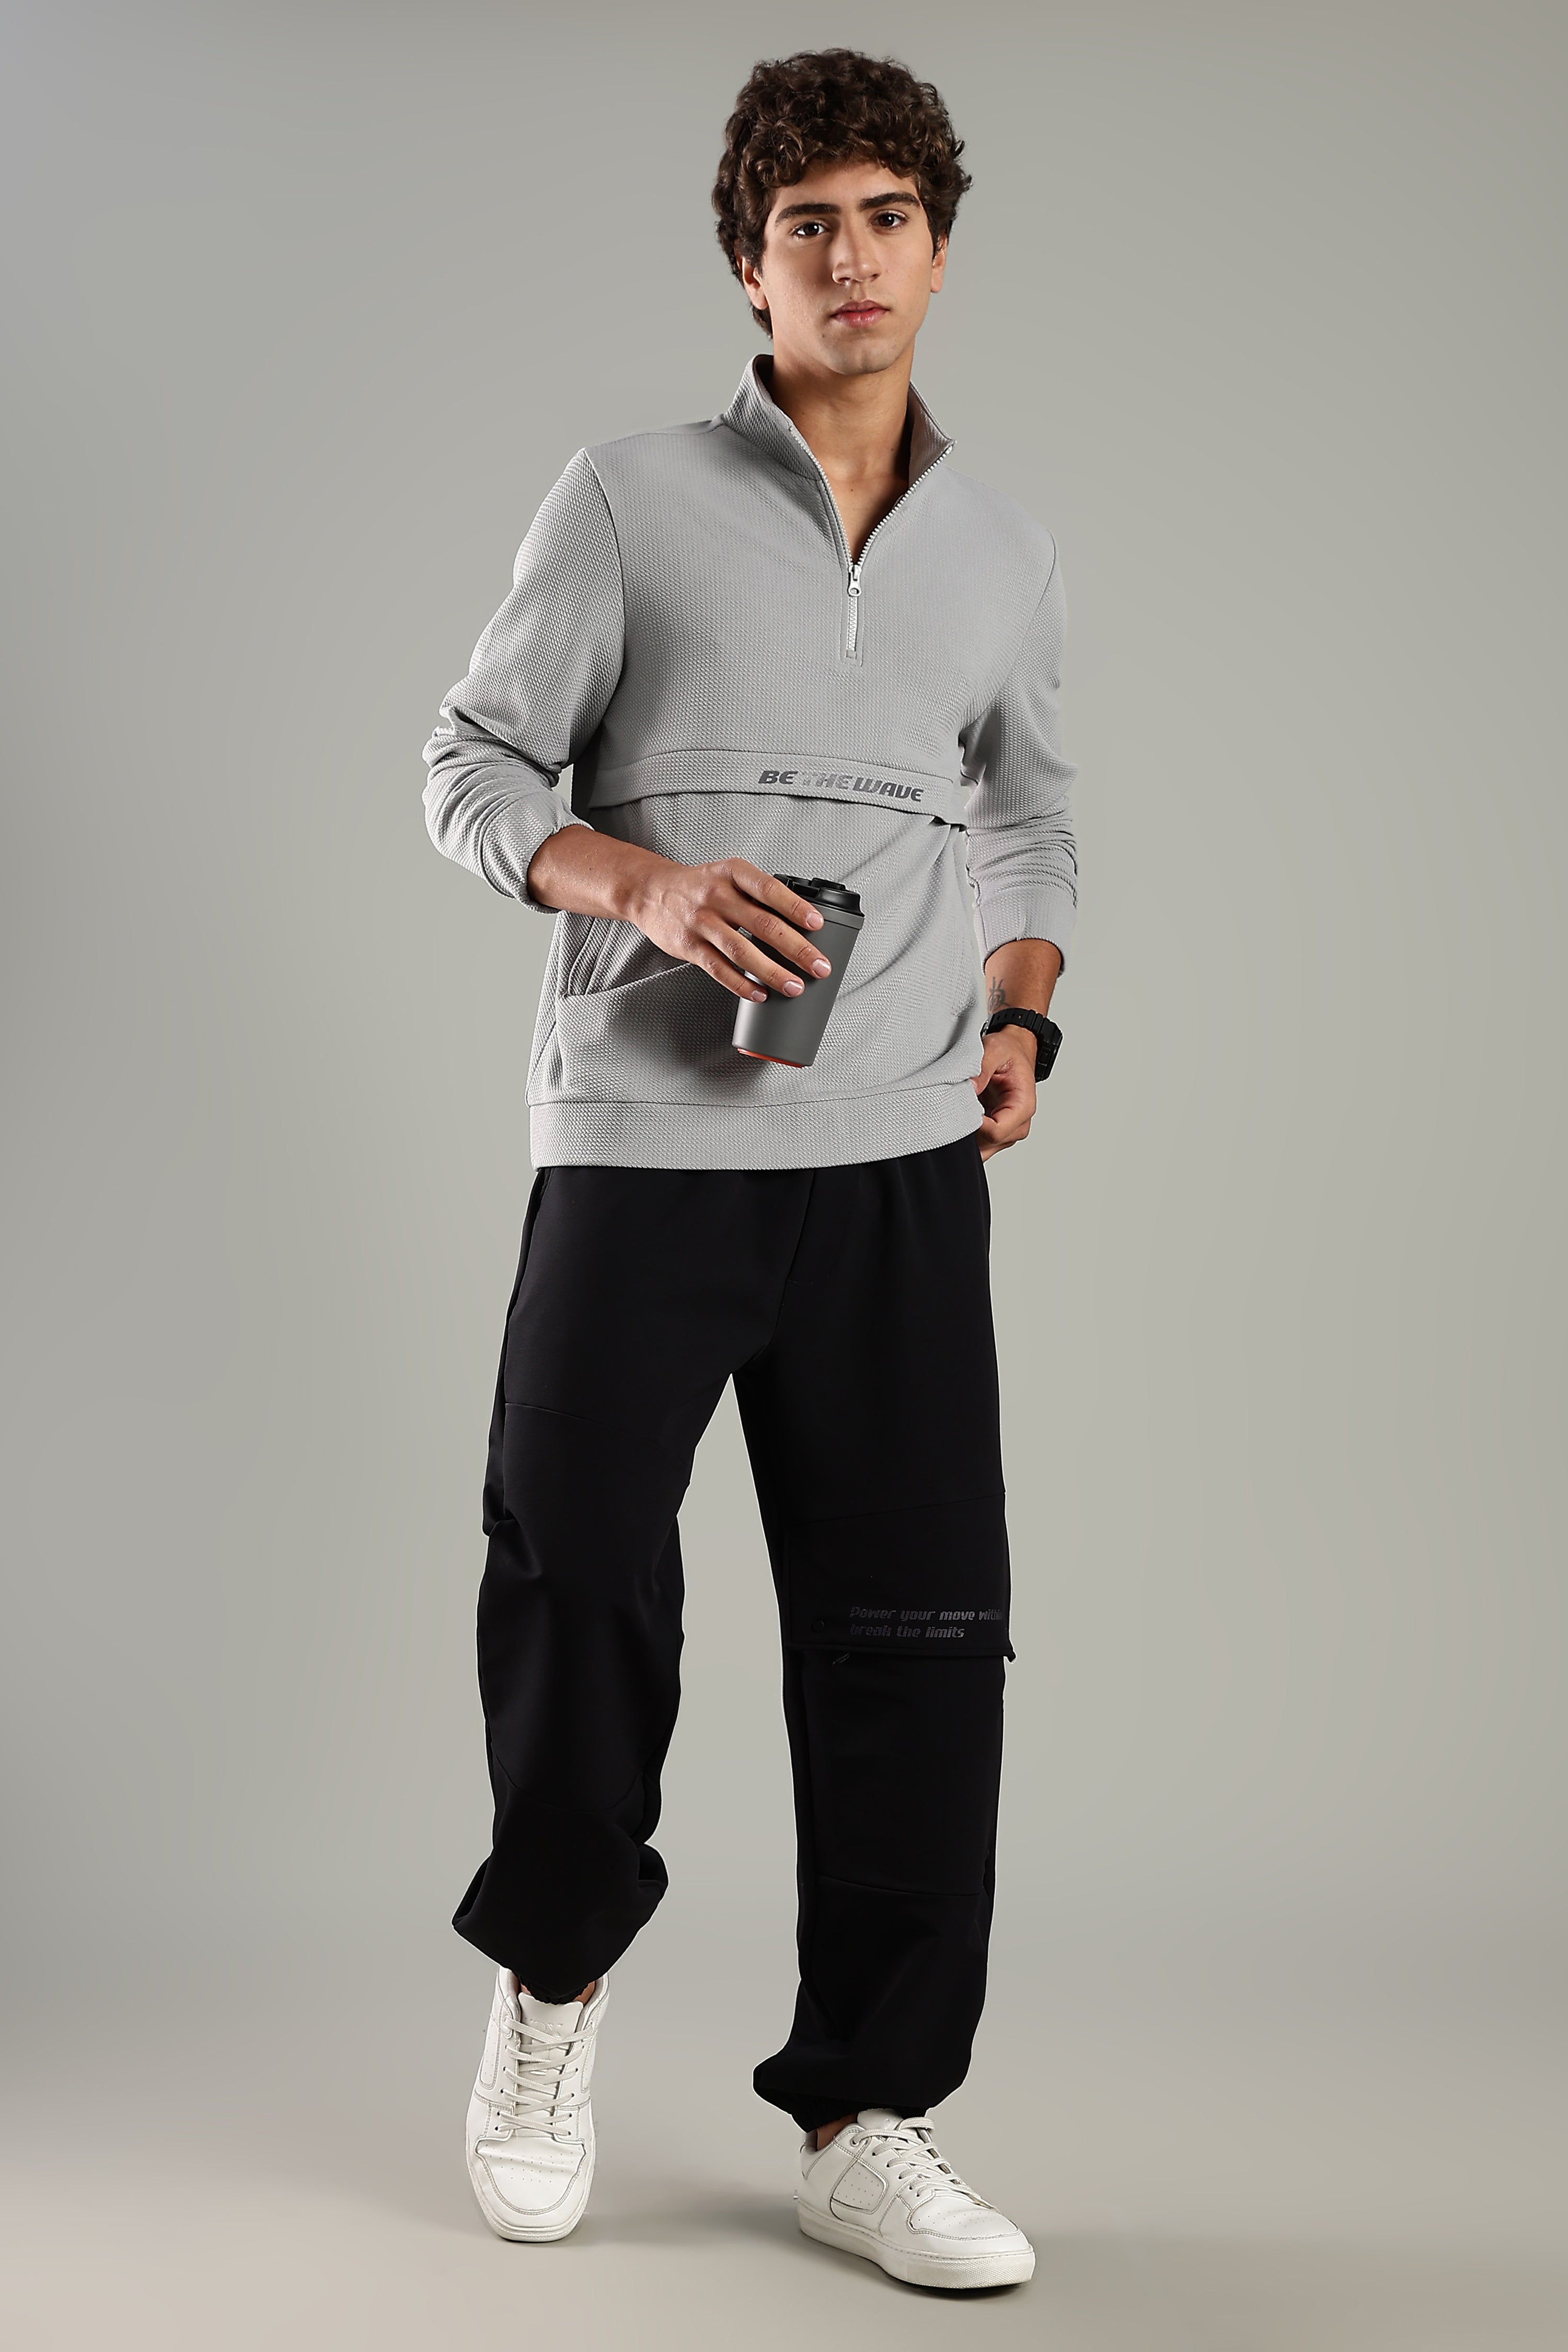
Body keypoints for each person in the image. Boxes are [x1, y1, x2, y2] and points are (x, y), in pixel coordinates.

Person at [422, 47, 1077, 2292]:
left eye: (889, 217)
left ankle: (870, 2114)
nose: (852, 258)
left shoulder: (1004, 549)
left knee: (920, 1630)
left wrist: (1020, 1012)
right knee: (576, 1567)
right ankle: (554, 1986)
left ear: (938, 251)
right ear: (750, 263)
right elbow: (471, 766)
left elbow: (1031, 814)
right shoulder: (626, 500)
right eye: (809, 224)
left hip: (896, 1161)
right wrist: (649, 889)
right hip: (644, 1144)